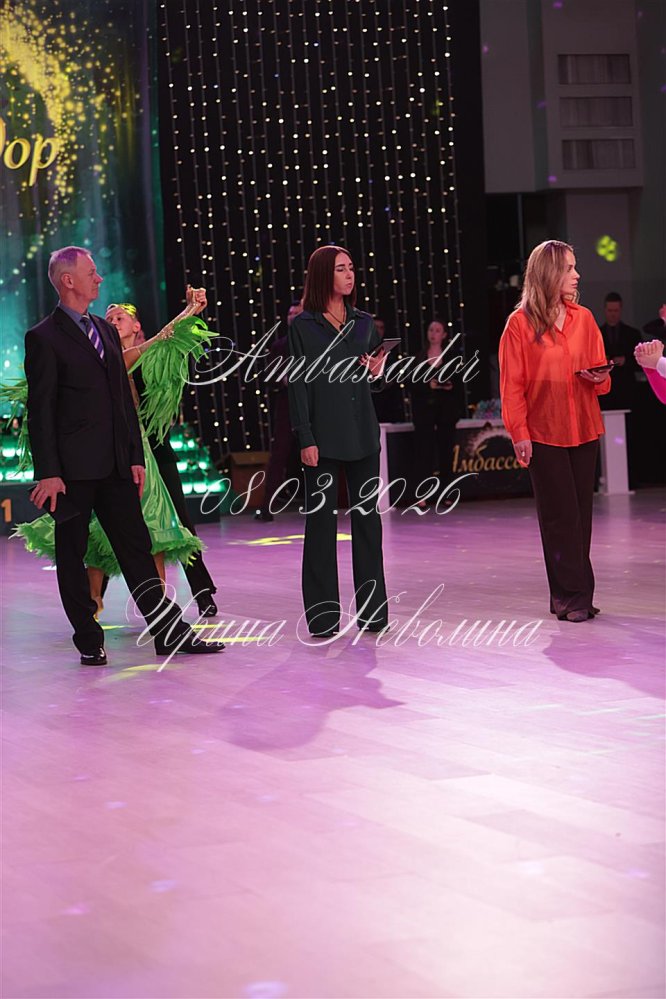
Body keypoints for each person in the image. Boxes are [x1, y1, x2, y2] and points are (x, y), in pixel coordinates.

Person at [23, 246, 223, 664]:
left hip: (115, 466)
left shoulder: (105, 330)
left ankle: (168, 632)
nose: (99, 279)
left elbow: (120, 401)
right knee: (73, 555)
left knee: (136, 549)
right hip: (71, 473)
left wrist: (134, 455)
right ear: (68, 280)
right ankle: (88, 637)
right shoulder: (43, 337)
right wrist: (49, 472)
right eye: (91, 273)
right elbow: (41, 410)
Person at [498, 240, 611, 623]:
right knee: (559, 517)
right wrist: (519, 432)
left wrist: (599, 377)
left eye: (575, 267)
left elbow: (603, 379)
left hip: (584, 427)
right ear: (548, 273)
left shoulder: (585, 318)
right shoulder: (519, 324)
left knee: (580, 516)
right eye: (568, 268)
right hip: (544, 432)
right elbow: (512, 386)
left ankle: (576, 593)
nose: (577, 275)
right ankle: (571, 597)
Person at [287, 245, 388, 637]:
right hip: (322, 439)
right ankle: (323, 618)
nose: (350, 275)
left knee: (368, 526)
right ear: (323, 276)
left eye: (352, 268)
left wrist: (376, 373)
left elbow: (371, 384)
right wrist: (305, 436)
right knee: (320, 528)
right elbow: (298, 386)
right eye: (341, 269)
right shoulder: (303, 326)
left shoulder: (364, 323)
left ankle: (373, 613)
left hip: (362, 435)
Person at [111, 298, 220, 616]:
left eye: (120, 317)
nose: (114, 322)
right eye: (109, 319)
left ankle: (202, 592)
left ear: (136, 326)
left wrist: (190, 310)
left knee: (180, 522)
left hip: (157, 448)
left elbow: (173, 340)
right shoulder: (106, 363)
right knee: (108, 524)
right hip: (122, 454)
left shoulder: (153, 356)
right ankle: (95, 602)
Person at [254, 301, 303, 523]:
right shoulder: (280, 345)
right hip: (287, 405)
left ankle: (321, 502)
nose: (293, 316)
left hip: (312, 404)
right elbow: (270, 377)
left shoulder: (316, 343)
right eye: (290, 313)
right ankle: (267, 506)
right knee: (279, 455)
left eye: (297, 313)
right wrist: (284, 379)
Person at [407, 318, 465, 506]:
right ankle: (421, 494)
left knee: (446, 452)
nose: (433, 334)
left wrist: (449, 386)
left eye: (437, 330)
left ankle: (446, 493)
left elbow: (459, 384)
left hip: (446, 412)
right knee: (423, 452)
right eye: (431, 330)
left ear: (444, 335)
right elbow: (411, 384)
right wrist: (428, 385)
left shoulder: (452, 357)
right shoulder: (419, 357)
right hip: (424, 413)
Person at [598, 293, 641, 410]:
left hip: (627, 389)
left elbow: (642, 363)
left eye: (616, 310)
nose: (613, 314)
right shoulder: (597, 334)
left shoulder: (632, 334)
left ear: (621, 310)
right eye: (610, 310)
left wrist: (626, 360)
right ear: (605, 310)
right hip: (605, 390)